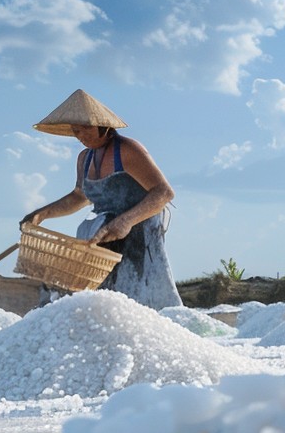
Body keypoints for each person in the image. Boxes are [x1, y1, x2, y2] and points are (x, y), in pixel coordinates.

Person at [21, 89, 183, 309]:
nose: (81, 136)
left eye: (86, 129)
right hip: (104, 234)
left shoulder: (127, 150)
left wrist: (125, 221)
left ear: (103, 127)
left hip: (139, 230)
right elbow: (80, 196)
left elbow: (163, 193)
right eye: (76, 131)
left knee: (143, 297)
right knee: (103, 300)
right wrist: (40, 214)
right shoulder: (84, 158)